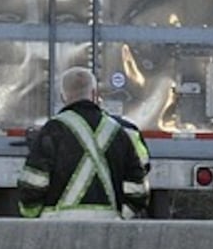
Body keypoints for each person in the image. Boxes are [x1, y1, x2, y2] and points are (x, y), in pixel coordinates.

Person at [18, 66, 150, 220]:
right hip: (107, 231)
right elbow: (138, 190)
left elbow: (34, 182)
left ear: (63, 97)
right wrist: (120, 217)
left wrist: (32, 215)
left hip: (57, 231)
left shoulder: (53, 130)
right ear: (94, 94)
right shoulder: (119, 132)